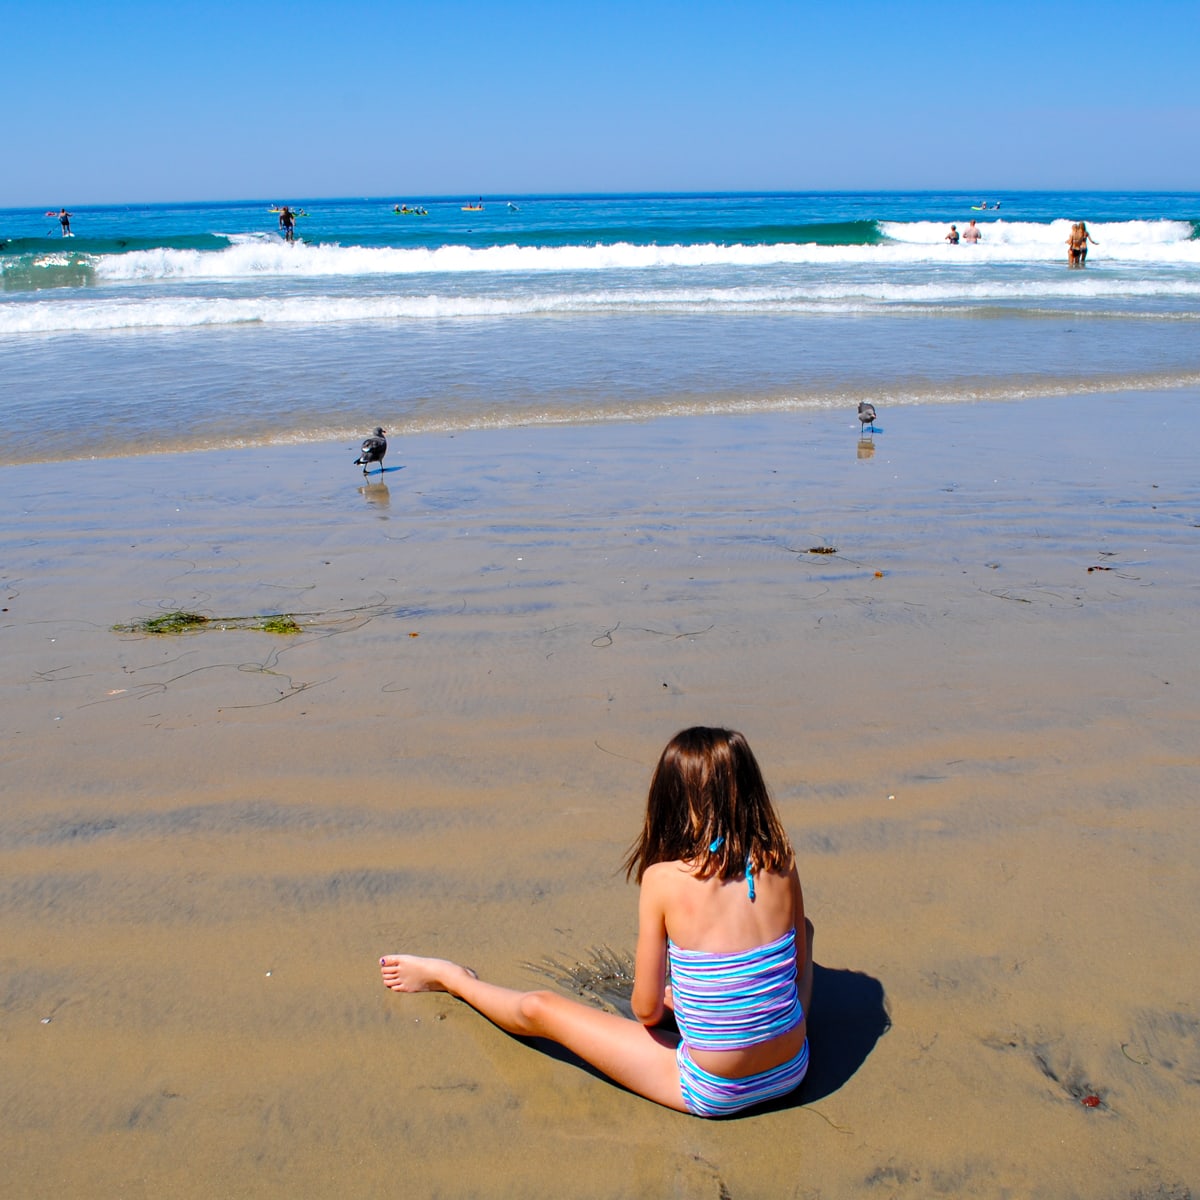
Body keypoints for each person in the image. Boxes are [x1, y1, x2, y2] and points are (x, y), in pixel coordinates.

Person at [379, 726, 814, 1117]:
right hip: (793, 1067)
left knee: (540, 1009)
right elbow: (795, 968)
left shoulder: (663, 879)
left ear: (671, 799)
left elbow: (644, 1011)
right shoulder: (781, 859)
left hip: (716, 1090)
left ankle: (454, 979)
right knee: (802, 932)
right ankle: (752, 1022)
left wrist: (672, 1003)